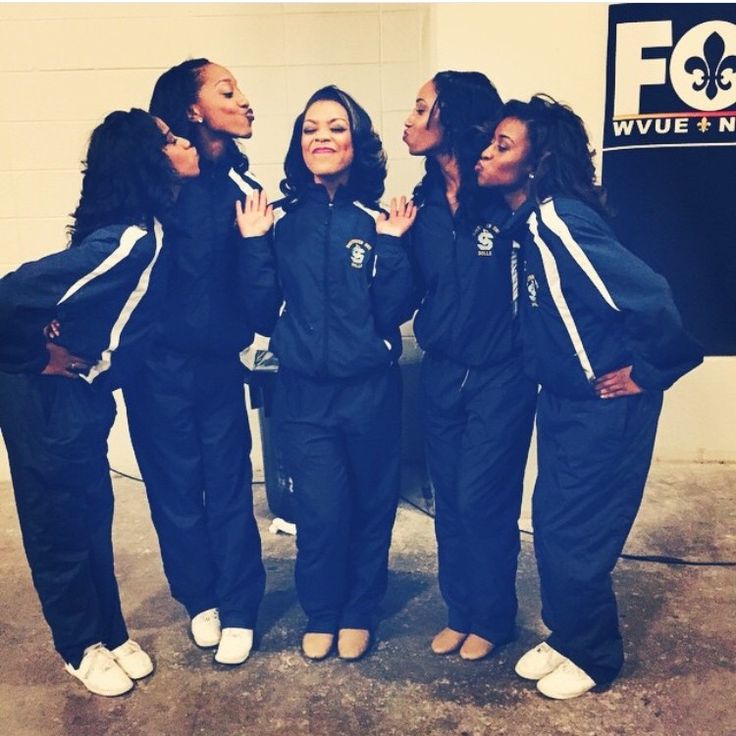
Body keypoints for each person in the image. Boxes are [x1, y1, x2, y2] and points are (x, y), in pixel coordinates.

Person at [475, 94, 703, 699]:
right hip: (565, 401)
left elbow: (649, 293)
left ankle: (597, 656)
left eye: (503, 145)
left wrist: (650, 371)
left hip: (606, 407)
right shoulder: (527, 225)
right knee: (553, 525)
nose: (486, 153)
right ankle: (570, 634)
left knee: (579, 536)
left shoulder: (558, 221)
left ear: (538, 161)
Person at [0, 109, 199, 697]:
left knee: (92, 513)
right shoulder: (128, 240)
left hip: (82, 396)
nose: (183, 144)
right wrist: (33, 358)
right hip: (43, 398)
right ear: (148, 160)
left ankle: (108, 632)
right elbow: (9, 294)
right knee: (56, 524)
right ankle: (76, 645)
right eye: (170, 139)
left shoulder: (151, 230)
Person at [238, 85, 416, 661]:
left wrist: (389, 245)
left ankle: (360, 610)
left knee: (369, 504)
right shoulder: (282, 221)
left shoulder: (377, 219)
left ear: (357, 142)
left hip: (369, 391)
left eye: (336, 127)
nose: (322, 136)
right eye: (311, 127)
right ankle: (323, 611)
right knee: (318, 509)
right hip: (303, 395)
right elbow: (260, 310)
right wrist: (253, 244)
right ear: (298, 142)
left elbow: (394, 311)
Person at [122, 59, 268, 666]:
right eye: (227, 91)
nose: (245, 101)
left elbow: (255, 295)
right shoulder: (151, 186)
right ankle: (200, 597)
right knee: (175, 491)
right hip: (155, 371)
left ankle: (239, 606)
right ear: (191, 110)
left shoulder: (239, 189)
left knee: (230, 485)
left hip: (215, 367)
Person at [403, 71, 537, 661]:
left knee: (486, 499)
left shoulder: (504, 201)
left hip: (500, 376)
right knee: (449, 499)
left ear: (450, 118)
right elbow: (410, 290)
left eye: (420, 107)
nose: (409, 118)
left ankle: (493, 616)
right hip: (440, 373)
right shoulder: (423, 201)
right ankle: (460, 611)